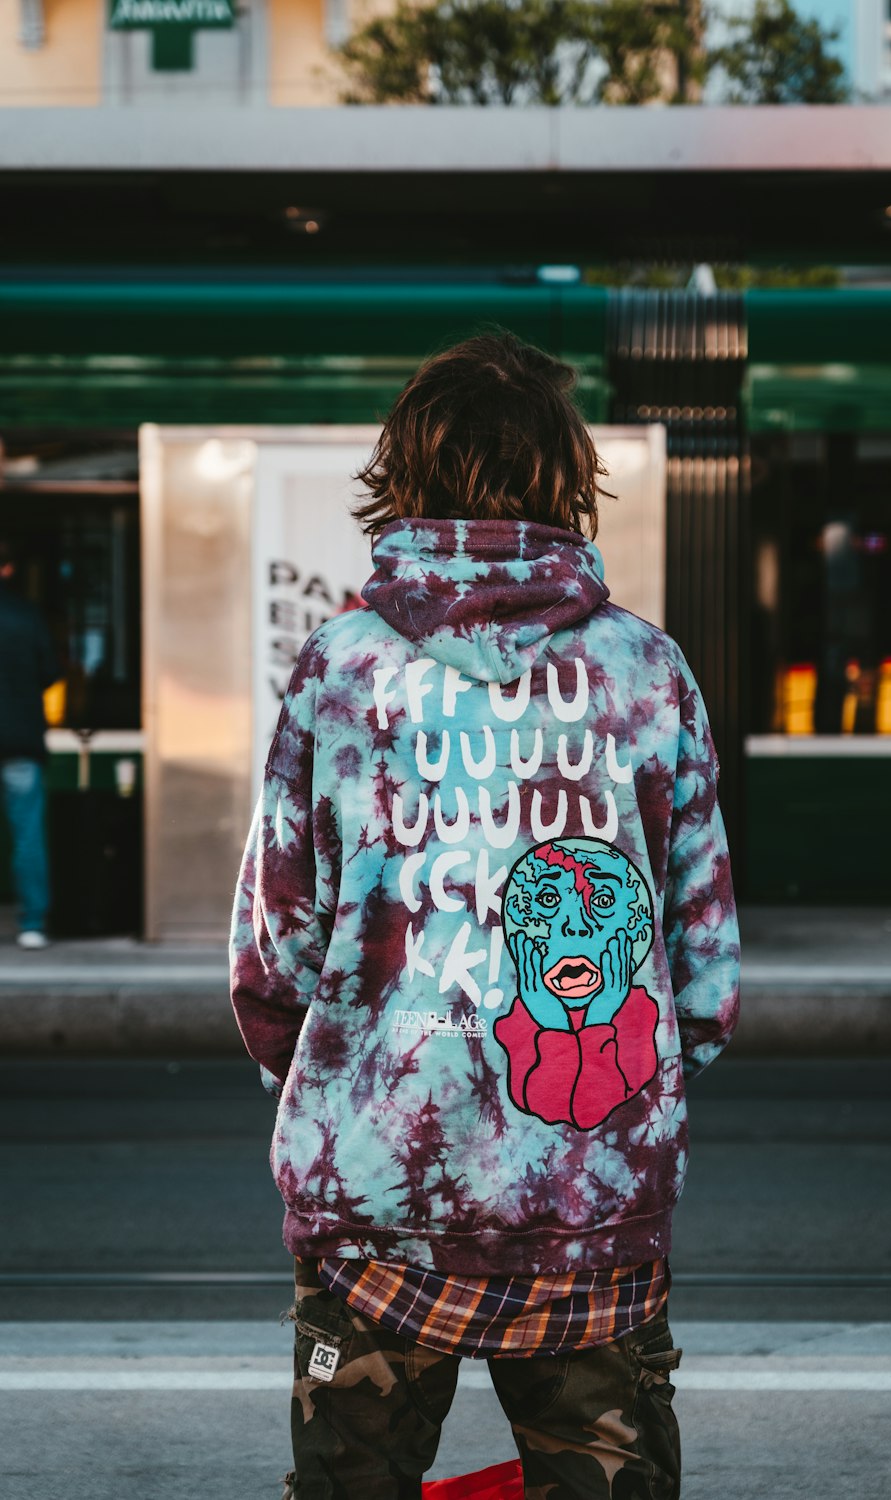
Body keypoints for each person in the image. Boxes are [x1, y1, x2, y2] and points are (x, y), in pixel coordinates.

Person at [230, 330, 741, 1499]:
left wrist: (338, 1077)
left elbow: (275, 946)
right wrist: (616, 1098)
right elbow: (701, 966)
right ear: (564, 478)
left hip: (373, 1184)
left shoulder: (338, 668)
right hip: (588, 1199)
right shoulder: (644, 671)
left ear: (403, 473)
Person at [0, 540, 60, 948]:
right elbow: (50, 672)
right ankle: (32, 923)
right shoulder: (26, 614)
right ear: (8, 569)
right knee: (27, 834)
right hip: (18, 737)